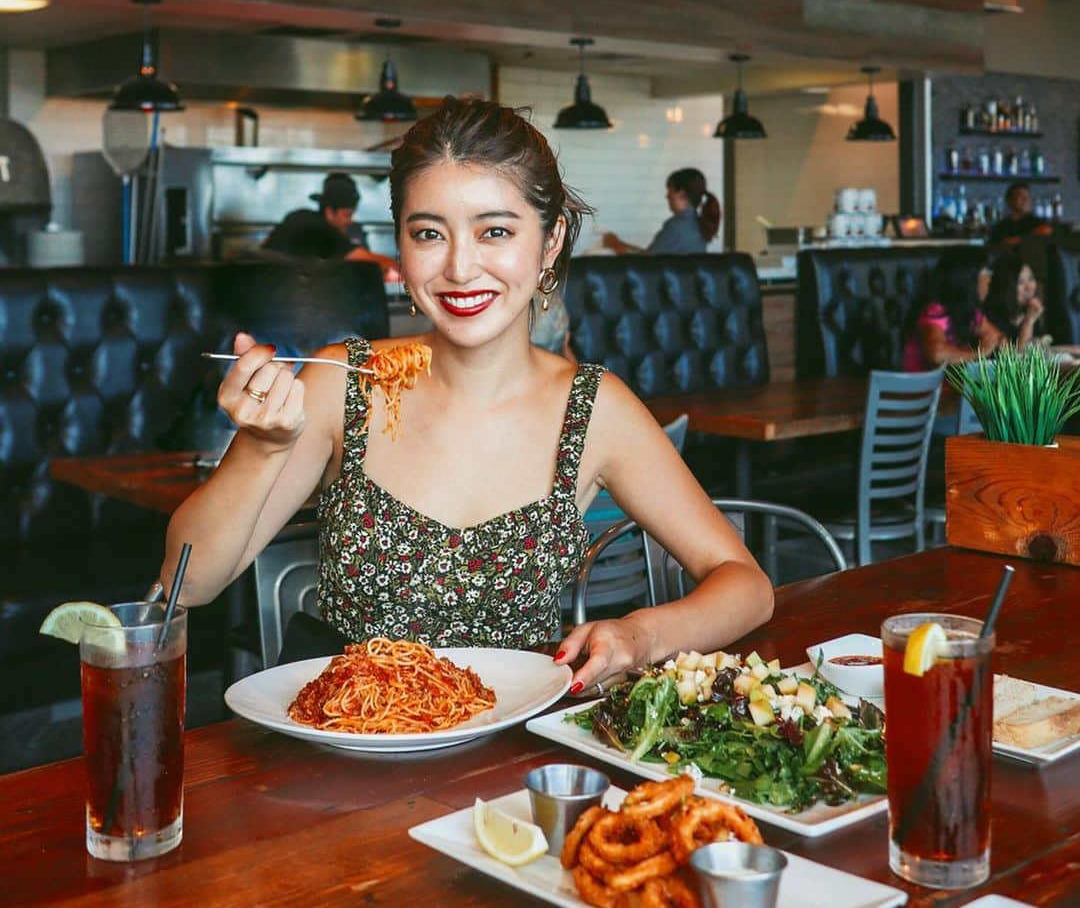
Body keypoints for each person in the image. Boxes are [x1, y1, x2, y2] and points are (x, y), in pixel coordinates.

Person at [160, 98, 772, 691]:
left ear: (551, 240)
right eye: (429, 233)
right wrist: (262, 448)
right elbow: (186, 586)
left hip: (513, 764)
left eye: (495, 231)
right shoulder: (342, 381)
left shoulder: (592, 408)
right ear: (400, 243)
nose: (459, 268)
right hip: (348, 752)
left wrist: (641, 635)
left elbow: (745, 583)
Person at [264, 172, 399, 279]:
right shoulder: (322, 230)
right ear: (330, 212)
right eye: (347, 215)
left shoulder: (298, 216)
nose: (350, 221)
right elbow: (369, 261)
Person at [902, 246, 1002, 371]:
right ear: (968, 278)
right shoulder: (935, 311)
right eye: (985, 273)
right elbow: (937, 354)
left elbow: (997, 339)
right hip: (920, 388)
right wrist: (978, 354)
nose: (989, 279)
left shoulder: (969, 312)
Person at [602, 168, 721, 256]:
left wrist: (617, 246)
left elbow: (646, 263)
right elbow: (651, 253)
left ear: (682, 194)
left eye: (670, 190)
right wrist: (620, 243)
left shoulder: (676, 227)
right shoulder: (696, 223)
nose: (667, 196)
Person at [983, 252, 1044, 350]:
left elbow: (1041, 347)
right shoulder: (989, 319)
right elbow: (1018, 359)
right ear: (1006, 287)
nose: (1029, 287)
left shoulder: (1027, 311)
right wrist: (1029, 321)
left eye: (1031, 278)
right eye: (1020, 282)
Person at [987, 182, 1054, 248]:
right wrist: (1031, 236)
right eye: (1021, 196)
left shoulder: (1039, 223)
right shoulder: (1001, 227)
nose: (1026, 199)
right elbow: (998, 246)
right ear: (1009, 200)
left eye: (1027, 196)